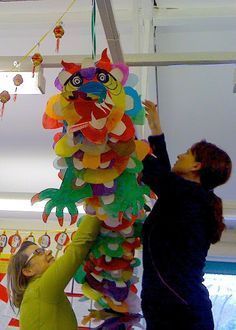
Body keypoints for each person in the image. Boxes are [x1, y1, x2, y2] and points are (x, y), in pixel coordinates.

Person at [140, 100, 232, 330]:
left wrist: (117, 130)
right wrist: (156, 131)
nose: (181, 155)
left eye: (188, 153)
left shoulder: (188, 198)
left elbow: (159, 174)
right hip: (178, 309)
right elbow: (165, 178)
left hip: (179, 313)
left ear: (196, 166)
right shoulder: (190, 198)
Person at [7, 215, 101, 330]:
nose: (48, 251)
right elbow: (78, 248)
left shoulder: (36, 293)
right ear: (28, 271)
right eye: (39, 252)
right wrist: (98, 209)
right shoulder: (40, 289)